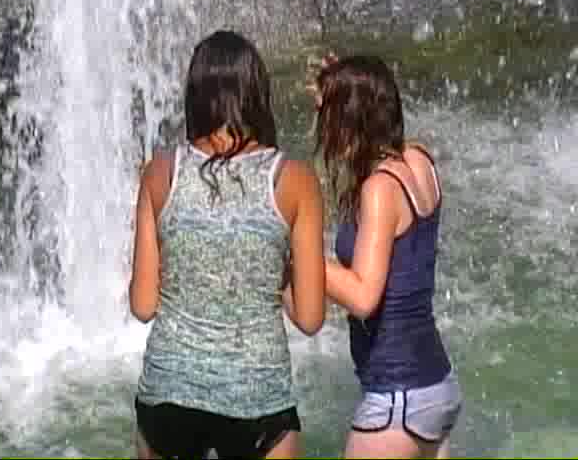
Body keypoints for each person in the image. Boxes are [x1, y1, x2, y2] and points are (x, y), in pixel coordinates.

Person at [129, 30, 326, 459]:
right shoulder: (295, 181)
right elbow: (311, 318)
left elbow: (143, 306)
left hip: (169, 392)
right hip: (258, 395)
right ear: (257, 93)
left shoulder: (159, 173)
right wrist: (272, 271)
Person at [309, 54, 462, 459]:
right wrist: (342, 83)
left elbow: (363, 296)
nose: (324, 131)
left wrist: (300, 256)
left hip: (398, 400)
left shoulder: (379, 189)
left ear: (351, 119)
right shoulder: (419, 161)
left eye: (329, 118)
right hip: (436, 388)